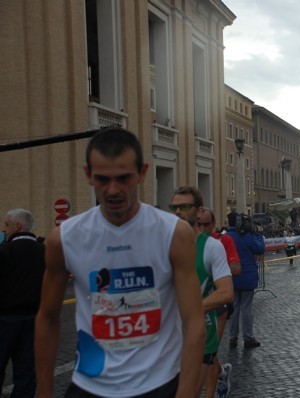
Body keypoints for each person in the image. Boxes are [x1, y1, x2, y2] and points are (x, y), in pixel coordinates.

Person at [35, 127, 206, 397]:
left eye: (124, 178)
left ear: (142, 172)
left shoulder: (173, 233)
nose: (113, 190)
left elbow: (194, 321)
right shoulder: (65, 238)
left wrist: (185, 392)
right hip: (90, 384)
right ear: (88, 175)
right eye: (103, 179)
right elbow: (47, 317)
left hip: (159, 383)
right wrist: (43, 392)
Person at [169, 187, 233, 395]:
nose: (177, 211)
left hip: (201, 337)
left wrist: (190, 309)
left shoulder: (212, 247)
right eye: (174, 207)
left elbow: (226, 293)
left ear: (198, 212)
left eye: (184, 207)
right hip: (168, 337)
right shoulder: (163, 244)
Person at [0, 209, 45, 397]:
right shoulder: (46, 251)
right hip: (35, 319)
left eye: (7, 225)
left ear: (17, 226)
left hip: (4, 320)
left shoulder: (4, 251)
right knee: (26, 372)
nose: (5, 229)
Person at [197, 207, 241, 398]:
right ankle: (222, 373)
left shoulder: (223, 241)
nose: (202, 228)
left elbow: (236, 268)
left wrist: (219, 269)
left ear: (213, 225)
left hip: (218, 309)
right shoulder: (186, 243)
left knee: (209, 354)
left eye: (206, 224)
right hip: (198, 310)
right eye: (198, 224)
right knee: (204, 356)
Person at [227, 212, 265, 349]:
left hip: (232, 277)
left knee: (235, 307)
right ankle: (248, 337)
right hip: (247, 276)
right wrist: (258, 235)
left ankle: (232, 337)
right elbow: (259, 249)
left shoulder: (227, 237)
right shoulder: (247, 236)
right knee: (246, 308)